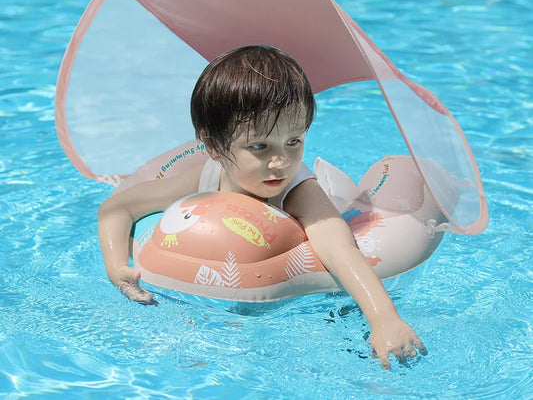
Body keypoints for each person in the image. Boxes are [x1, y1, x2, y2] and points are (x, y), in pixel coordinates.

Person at [98, 45, 426, 370]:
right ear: (214, 146)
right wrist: (117, 267)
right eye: (260, 146)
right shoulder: (207, 176)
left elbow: (338, 247)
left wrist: (384, 318)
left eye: (294, 141)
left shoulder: (299, 189)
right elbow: (118, 208)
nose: (281, 162)